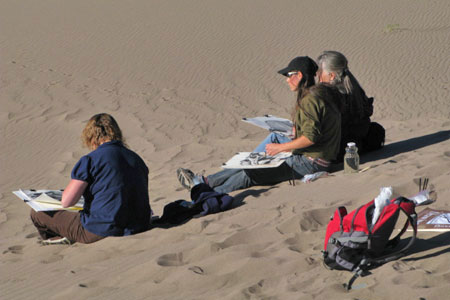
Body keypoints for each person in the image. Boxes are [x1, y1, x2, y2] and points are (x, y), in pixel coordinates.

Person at [177, 56, 342, 194]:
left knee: (252, 171)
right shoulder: (316, 94)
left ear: (299, 75)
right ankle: (206, 181)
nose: (287, 80)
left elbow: (311, 138)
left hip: (310, 163)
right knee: (274, 139)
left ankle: (209, 194)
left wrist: (280, 149)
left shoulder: (310, 100)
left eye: (289, 75)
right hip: (314, 155)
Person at [30, 113, 151, 245]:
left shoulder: (91, 160)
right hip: (139, 225)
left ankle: (57, 239)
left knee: (37, 213)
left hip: (101, 229)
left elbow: (66, 202)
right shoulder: (136, 159)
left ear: (91, 137)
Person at [254, 51, 379, 160]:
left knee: (275, 137)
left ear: (332, 75)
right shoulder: (354, 88)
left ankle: (248, 164)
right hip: (348, 144)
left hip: (332, 150)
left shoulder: (329, 94)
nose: (317, 76)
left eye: (320, 72)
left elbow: (320, 132)